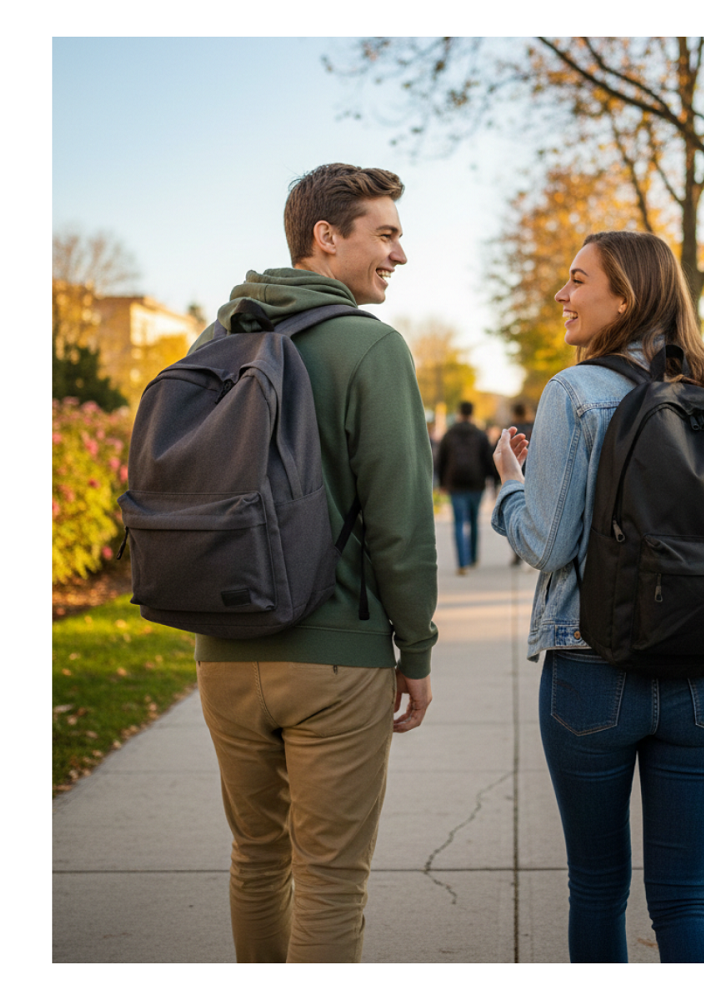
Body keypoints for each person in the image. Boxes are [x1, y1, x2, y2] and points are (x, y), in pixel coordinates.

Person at [185, 163, 437, 963]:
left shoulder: (216, 341)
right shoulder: (371, 346)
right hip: (336, 654)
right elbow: (401, 525)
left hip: (224, 651)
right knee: (329, 876)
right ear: (326, 237)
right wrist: (416, 651)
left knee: (257, 859)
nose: (400, 253)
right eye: (386, 234)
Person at [491, 230, 704, 963]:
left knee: (598, 889)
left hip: (592, 669)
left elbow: (546, 544)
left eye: (577, 280)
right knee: (686, 900)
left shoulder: (575, 392)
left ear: (625, 298)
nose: (561, 295)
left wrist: (511, 484)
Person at [436, 400, 496, 575]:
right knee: (474, 521)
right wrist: (492, 481)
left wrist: (442, 483)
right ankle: (473, 557)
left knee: (458, 522)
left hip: (455, 484)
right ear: (472, 413)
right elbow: (488, 460)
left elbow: (441, 460)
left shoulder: (449, 434)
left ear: (459, 413)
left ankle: (462, 563)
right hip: (476, 483)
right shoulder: (480, 434)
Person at [507, 402, 534, 566]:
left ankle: (517, 551)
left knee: (513, 513)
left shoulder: (511, 430)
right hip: (535, 476)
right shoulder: (535, 427)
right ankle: (532, 549)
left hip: (515, 476)